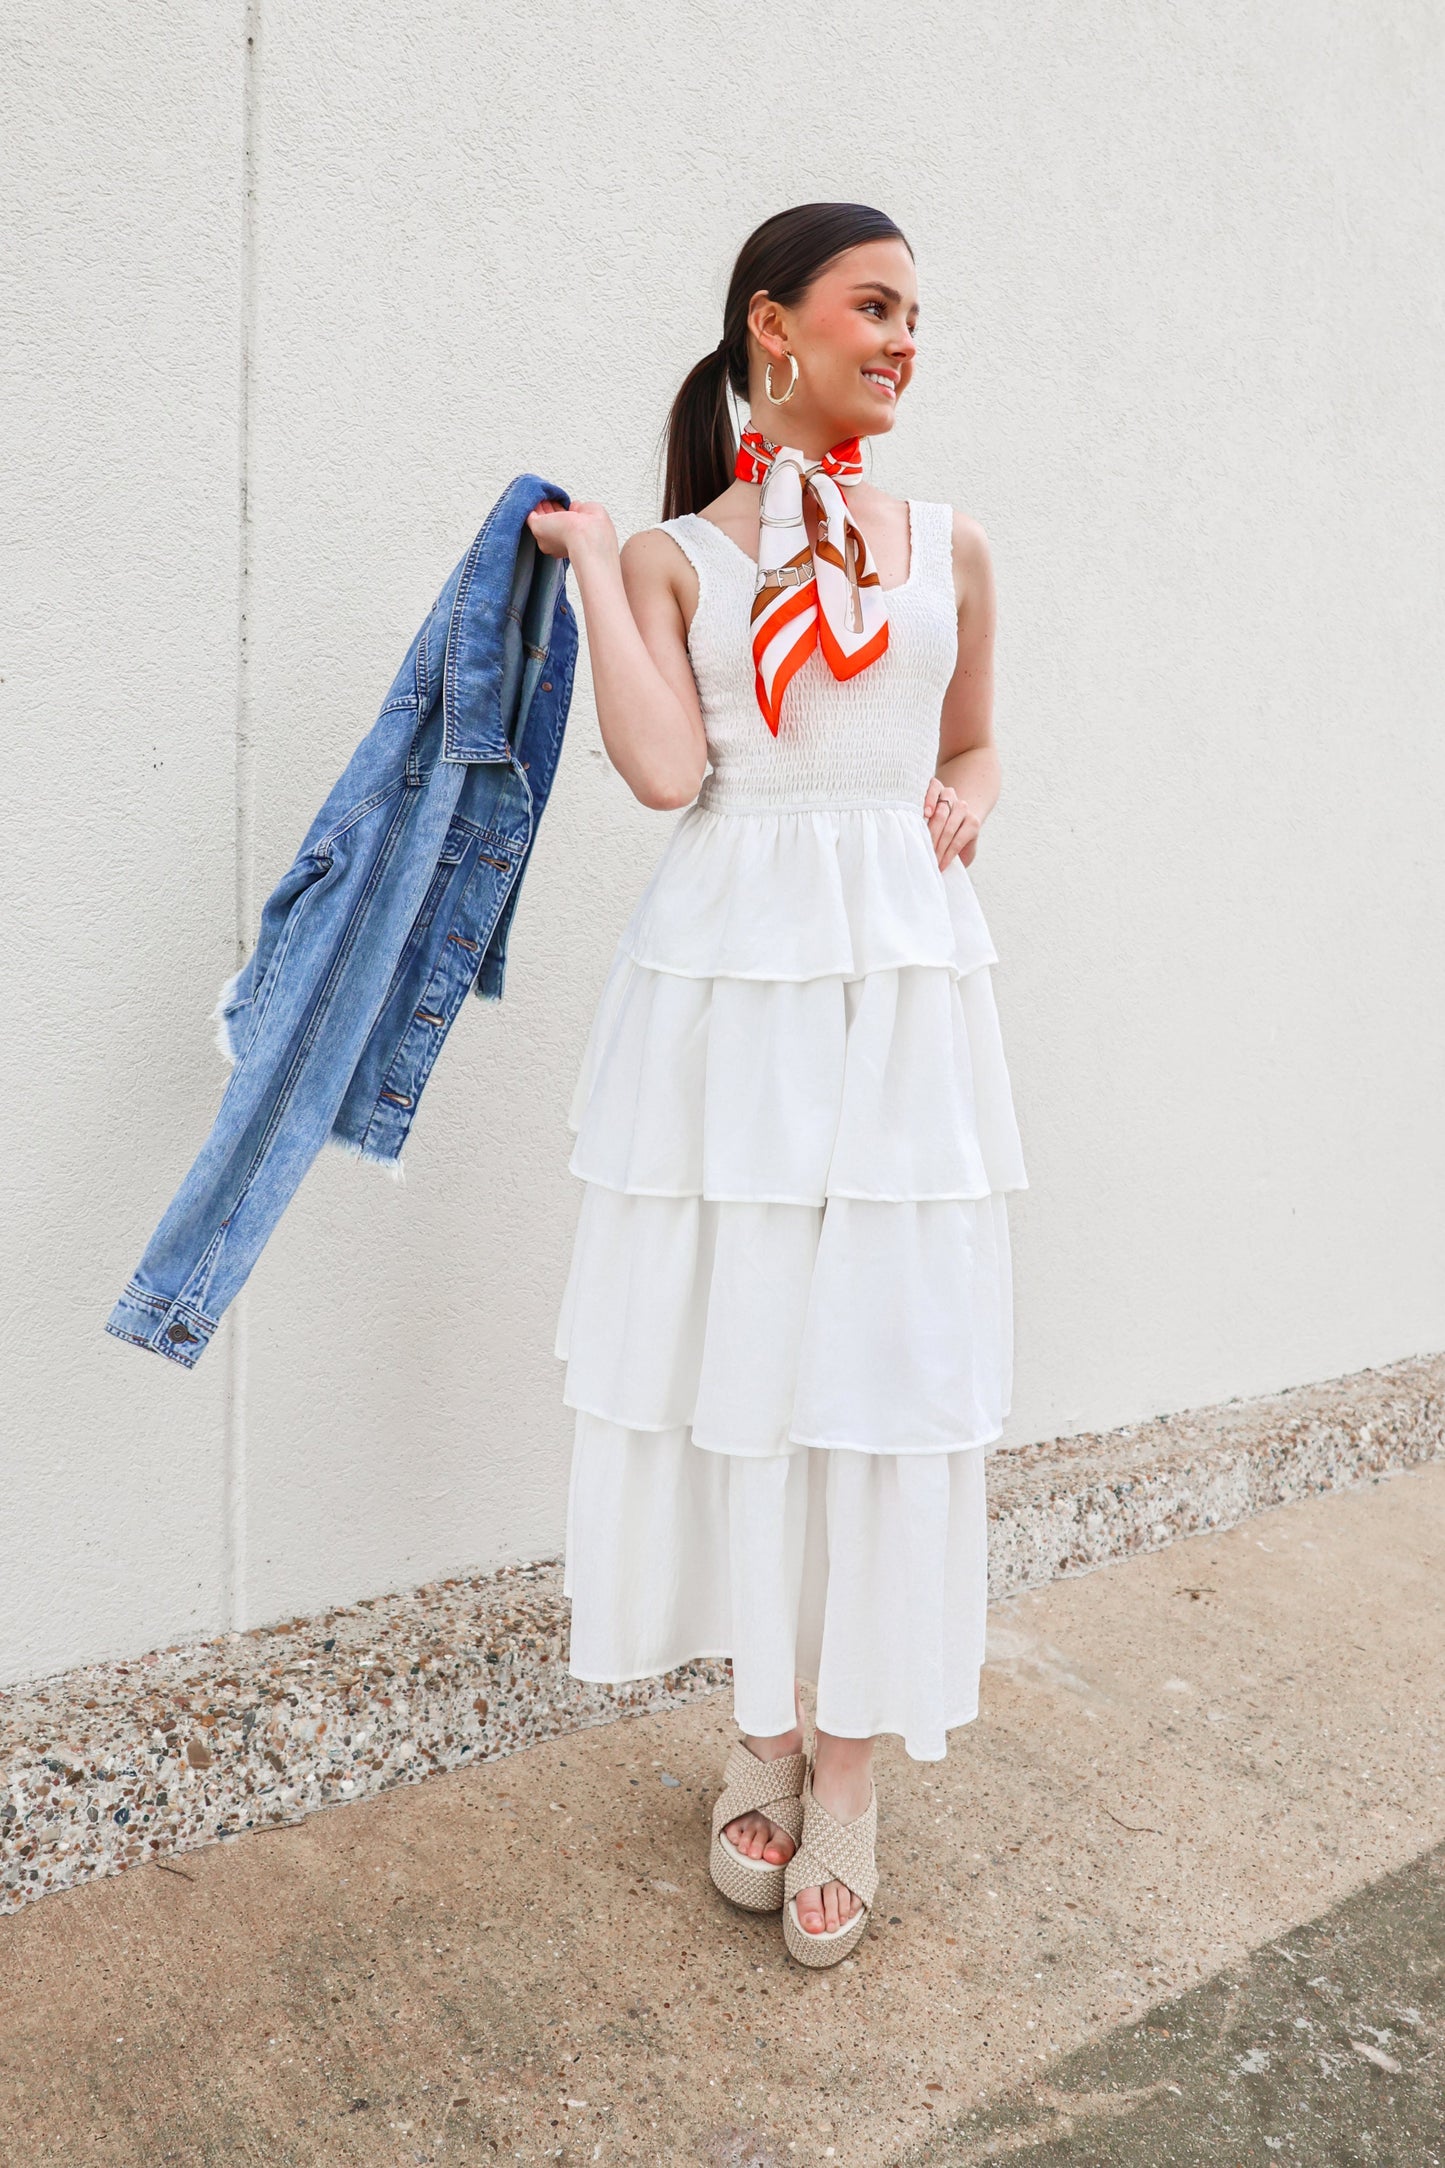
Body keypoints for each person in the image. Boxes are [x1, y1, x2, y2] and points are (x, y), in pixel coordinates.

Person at [527, 200, 1027, 1967]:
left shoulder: (948, 543)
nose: (901, 338)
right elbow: (667, 770)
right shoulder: (680, 554)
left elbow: (962, 734)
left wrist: (965, 792)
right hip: (728, 978)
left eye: (914, 314)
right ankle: (761, 1713)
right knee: (748, 1342)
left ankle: (855, 1766)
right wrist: (596, 562)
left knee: (878, 1358)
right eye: (871, 306)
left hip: (895, 981)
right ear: (774, 325)